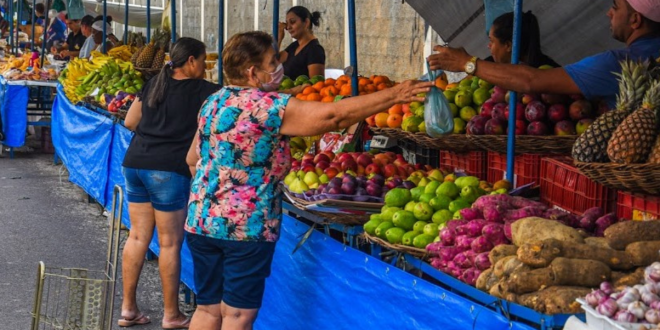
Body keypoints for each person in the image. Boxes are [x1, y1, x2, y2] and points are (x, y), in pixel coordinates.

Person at [183, 31, 431, 330]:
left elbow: (192, 159)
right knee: (238, 315)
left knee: (209, 310)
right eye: (272, 61)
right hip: (244, 229)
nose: (279, 67)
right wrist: (394, 95)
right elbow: (333, 117)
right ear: (252, 71)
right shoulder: (267, 107)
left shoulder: (213, 101)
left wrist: (217, 197)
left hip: (201, 220)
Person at [119, 37, 219, 329]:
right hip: (168, 170)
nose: (204, 66)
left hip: (135, 162)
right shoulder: (205, 91)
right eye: (202, 61)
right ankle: (172, 315)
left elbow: (130, 121)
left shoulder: (154, 83)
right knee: (170, 243)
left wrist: (156, 128)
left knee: (137, 236)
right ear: (191, 61)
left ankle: (128, 310)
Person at [429, 0, 660, 109]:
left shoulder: (618, 63)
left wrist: (468, 63)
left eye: (616, 6)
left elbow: (532, 81)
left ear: (635, 20)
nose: (609, 13)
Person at [487, 11, 560, 67]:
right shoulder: (490, 63)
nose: (488, 46)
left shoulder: (543, 73)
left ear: (508, 45)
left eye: (492, 41)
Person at [277, 6, 325, 78]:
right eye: (287, 24)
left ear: (306, 22)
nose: (288, 27)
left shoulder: (315, 50)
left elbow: (316, 84)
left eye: (292, 22)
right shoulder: (294, 46)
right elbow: (273, 61)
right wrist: (279, 38)